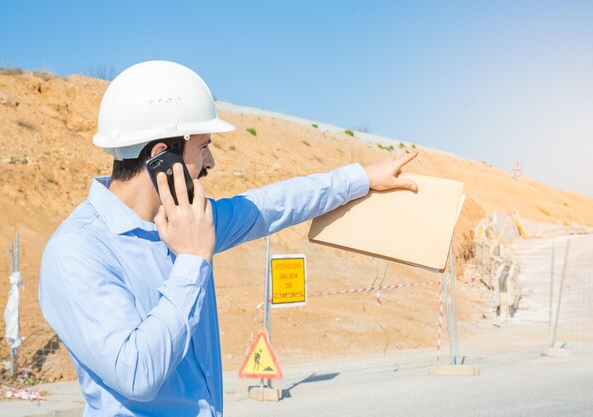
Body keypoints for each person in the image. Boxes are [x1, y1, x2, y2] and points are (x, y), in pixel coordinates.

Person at [39, 60, 418, 417]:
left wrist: (361, 178)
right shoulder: (77, 251)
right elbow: (137, 373)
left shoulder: (187, 220)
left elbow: (270, 205)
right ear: (161, 157)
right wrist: (192, 260)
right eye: (203, 147)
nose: (211, 163)